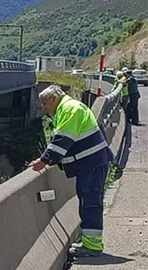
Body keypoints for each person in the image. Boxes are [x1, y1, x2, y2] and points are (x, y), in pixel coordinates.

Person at [29, 85, 113, 257]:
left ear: (54, 98)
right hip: (90, 163)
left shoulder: (69, 109)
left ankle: (92, 247)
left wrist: (44, 160)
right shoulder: (69, 107)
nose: (44, 108)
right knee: (89, 201)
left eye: (45, 103)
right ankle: (90, 242)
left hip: (91, 163)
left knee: (89, 203)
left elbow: (62, 140)